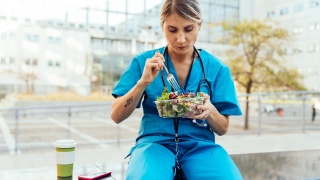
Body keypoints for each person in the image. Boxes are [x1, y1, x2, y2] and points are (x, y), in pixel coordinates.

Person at [111, 0, 243, 179]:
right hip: (154, 145)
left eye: (189, 29)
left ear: (199, 25)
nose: (181, 39)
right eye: (172, 30)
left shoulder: (217, 69)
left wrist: (210, 111)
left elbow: (222, 128)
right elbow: (116, 116)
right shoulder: (143, 62)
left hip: (200, 146)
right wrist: (143, 83)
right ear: (162, 26)